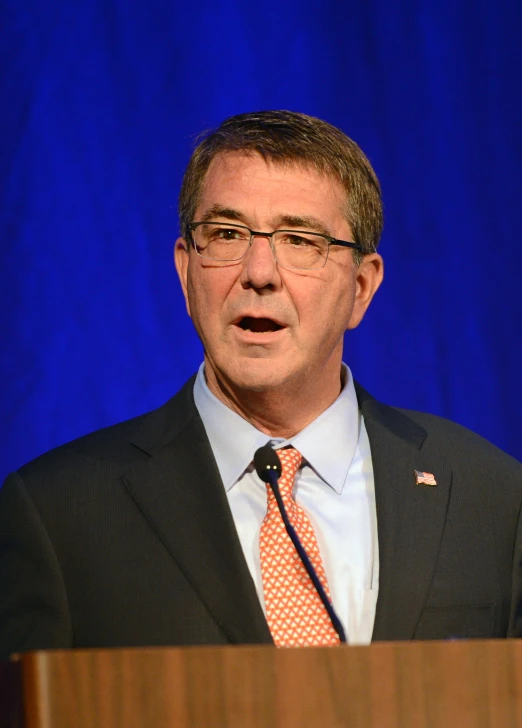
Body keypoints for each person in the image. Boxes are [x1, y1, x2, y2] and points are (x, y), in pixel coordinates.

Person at [1, 110, 521, 658]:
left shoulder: (490, 501)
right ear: (185, 270)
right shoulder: (58, 514)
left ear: (362, 288)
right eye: (226, 234)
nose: (259, 272)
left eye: (300, 240)